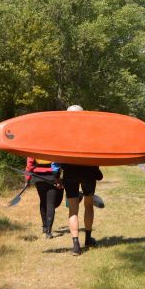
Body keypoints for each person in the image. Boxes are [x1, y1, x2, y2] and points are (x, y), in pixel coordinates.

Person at [58, 104, 104, 255]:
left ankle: (76, 245)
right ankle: (88, 238)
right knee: (88, 205)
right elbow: (97, 152)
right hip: (88, 173)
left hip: (70, 174)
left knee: (73, 209)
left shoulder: (63, 133)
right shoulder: (91, 132)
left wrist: (56, 174)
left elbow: (56, 155)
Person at [25, 157, 63, 239]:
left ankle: (45, 228)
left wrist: (27, 179)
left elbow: (30, 163)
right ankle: (48, 232)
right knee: (50, 203)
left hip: (38, 177)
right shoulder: (54, 144)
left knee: (43, 201)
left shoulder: (34, 146)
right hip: (52, 176)